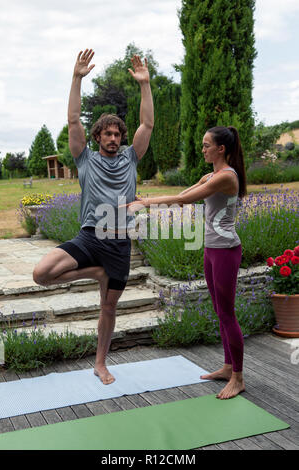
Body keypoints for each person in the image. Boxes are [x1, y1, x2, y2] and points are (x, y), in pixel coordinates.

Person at [33, 49, 154, 385]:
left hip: (118, 243)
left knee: (109, 309)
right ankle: (95, 273)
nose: (113, 139)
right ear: (98, 137)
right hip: (89, 236)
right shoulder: (84, 159)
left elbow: (147, 123)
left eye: (118, 134)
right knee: (41, 274)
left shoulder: (131, 158)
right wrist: (76, 78)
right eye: (108, 134)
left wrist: (145, 85)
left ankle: (101, 364)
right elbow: (74, 120)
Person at [125, 126, 246, 400]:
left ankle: (238, 377)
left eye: (206, 145)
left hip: (226, 251)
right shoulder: (211, 175)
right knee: (219, 311)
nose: (202, 149)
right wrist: (145, 199)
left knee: (227, 314)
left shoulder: (225, 177)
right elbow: (183, 196)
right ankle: (228, 367)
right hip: (212, 250)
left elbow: (182, 199)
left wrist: (144, 203)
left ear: (221, 149)